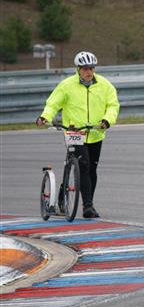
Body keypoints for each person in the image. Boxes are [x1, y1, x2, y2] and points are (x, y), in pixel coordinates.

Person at [36, 51, 120, 219]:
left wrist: (107, 120)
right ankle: (88, 206)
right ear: (78, 69)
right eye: (85, 69)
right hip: (74, 133)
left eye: (91, 68)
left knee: (92, 170)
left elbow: (113, 105)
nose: (89, 72)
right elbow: (53, 104)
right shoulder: (67, 85)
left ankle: (70, 197)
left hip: (95, 133)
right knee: (83, 166)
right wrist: (45, 117)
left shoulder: (105, 85)